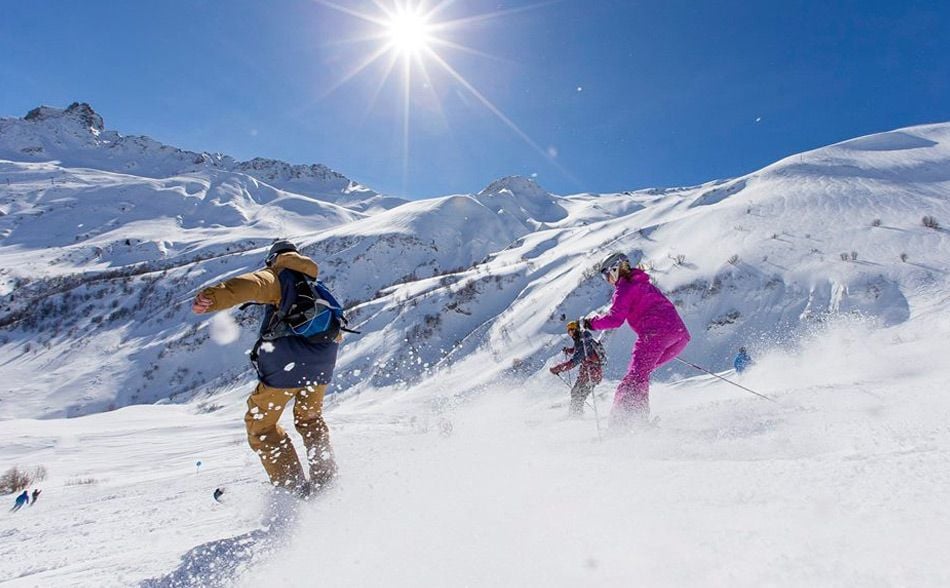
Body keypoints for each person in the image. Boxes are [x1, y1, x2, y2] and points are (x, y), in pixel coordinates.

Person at [192, 240, 339, 498]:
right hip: (322, 366)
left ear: (273, 258)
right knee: (310, 420)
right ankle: (325, 482)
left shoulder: (279, 276)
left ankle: (292, 491)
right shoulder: (317, 286)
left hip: (286, 366)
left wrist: (212, 297)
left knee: (261, 427)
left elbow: (250, 285)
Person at [583, 252, 690, 428]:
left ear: (615, 269)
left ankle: (619, 425)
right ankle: (639, 421)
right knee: (640, 376)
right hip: (679, 336)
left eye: (606, 274)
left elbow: (614, 320)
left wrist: (589, 323)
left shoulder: (624, 289)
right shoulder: (644, 284)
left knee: (633, 379)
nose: (607, 279)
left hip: (655, 335)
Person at [549, 321, 604, 417]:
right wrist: (569, 350)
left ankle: (576, 416)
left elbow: (574, 362)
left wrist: (558, 369)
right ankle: (575, 414)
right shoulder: (581, 340)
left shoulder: (583, 343)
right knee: (575, 392)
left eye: (571, 330)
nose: (570, 333)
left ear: (576, 330)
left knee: (578, 395)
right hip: (586, 373)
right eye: (568, 331)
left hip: (592, 374)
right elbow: (577, 351)